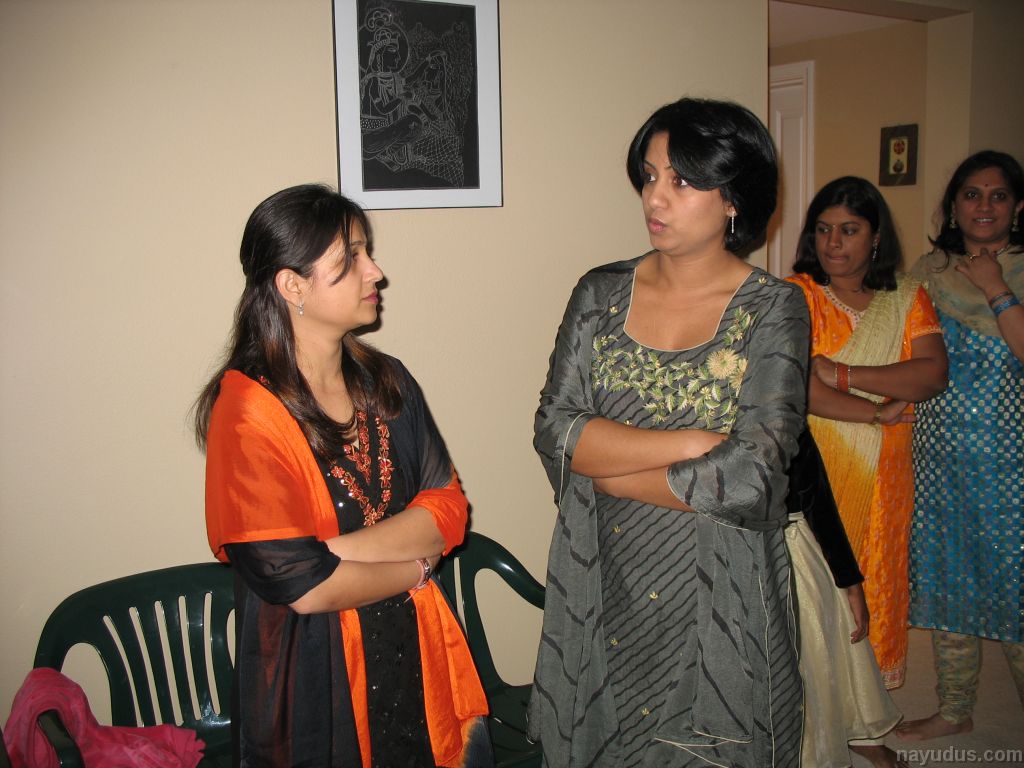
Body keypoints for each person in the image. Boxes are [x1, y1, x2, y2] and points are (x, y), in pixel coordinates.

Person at [529, 97, 808, 767]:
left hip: (720, 579)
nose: (655, 197)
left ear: (733, 197)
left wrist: (609, 470)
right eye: (650, 176)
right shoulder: (599, 294)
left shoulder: (774, 308)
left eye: (682, 181)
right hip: (604, 567)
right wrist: (691, 444)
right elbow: (555, 430)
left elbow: (754, 475)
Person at [193, 184, 490, 767]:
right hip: (316, 680)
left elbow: (448, 509)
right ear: (292, 286)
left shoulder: (387, 381)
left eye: (367, 253)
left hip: (416, 654)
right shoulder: (249, 412)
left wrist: (327, 555)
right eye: (350, 258)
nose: (375, 272)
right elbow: (305, 592)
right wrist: (417, 567)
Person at [785, 177, 947, 693]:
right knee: (818, 585)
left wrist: (843, 374)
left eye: (849, 230)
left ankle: (867, 704)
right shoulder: (796, 295)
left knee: (877, 572)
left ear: (876, 237)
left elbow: (931, 374)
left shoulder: (907, 296)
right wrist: (876, 412)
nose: (833, 243)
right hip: (817, 464)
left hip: (889, 471)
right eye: (823, 229)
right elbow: (799, 390)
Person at [898, 150, 1024, 740]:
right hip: (938, 456)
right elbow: (912, 352)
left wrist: (996, 286)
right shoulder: (930, 272)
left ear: (1017, 207)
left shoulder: (1020, 270)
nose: (984, 206)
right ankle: (954, 708)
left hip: (1012, 461)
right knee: (949, 578)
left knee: (1015, 585)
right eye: (972, 194)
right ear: (953, 206)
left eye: (998, 195)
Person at [787, 427, 904, 768]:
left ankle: (849, 730)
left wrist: (850, 581)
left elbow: (817, 497)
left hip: (789, 538)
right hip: (713, 542)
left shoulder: (783, 413)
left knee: (816, 634)